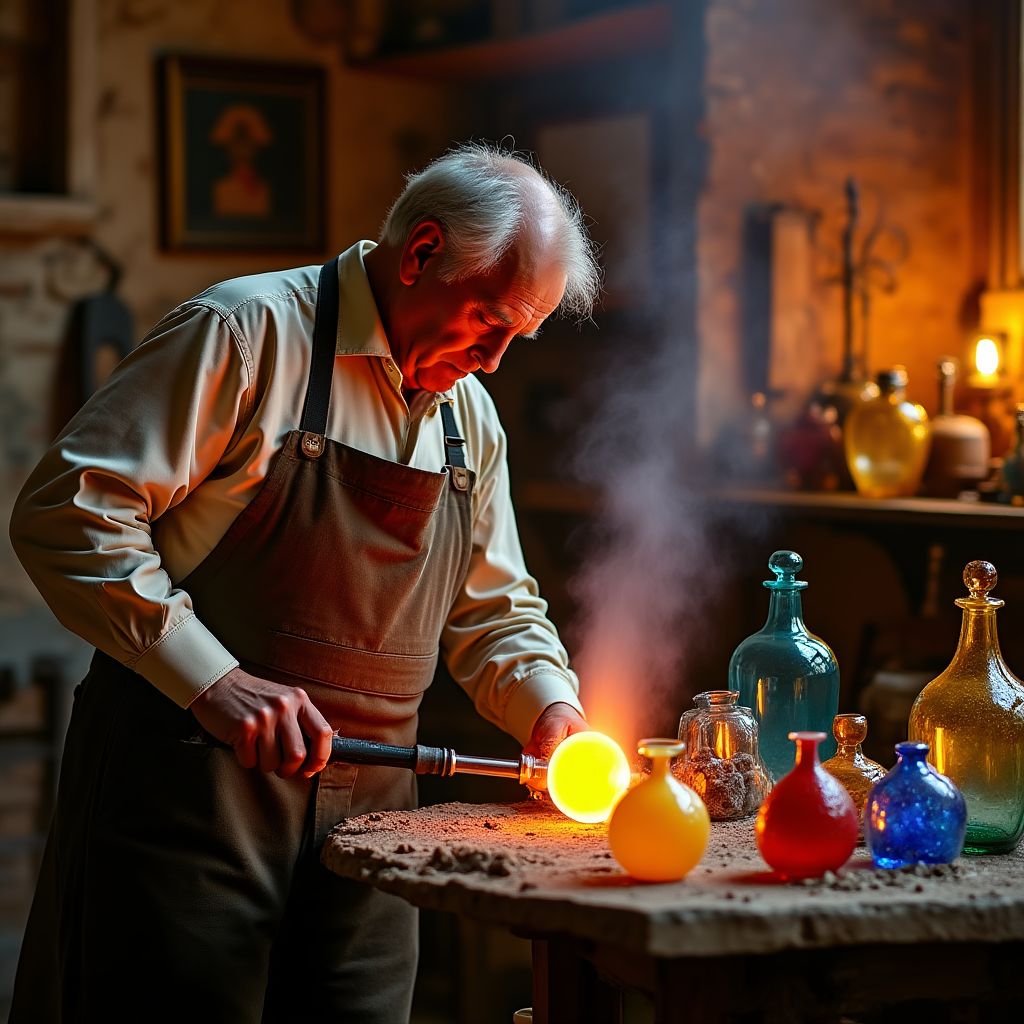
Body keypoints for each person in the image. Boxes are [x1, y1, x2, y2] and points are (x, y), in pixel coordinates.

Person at [8, 141, 601, 1022]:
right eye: (489, 321)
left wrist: (552, 710)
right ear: (422, 252)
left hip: (369, 841)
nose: (497, 362)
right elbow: (71, 511)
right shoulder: (246, 335)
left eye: (521, 336)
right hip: (188, 805)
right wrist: (214, 682)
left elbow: (497, 611)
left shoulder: (468, 420)